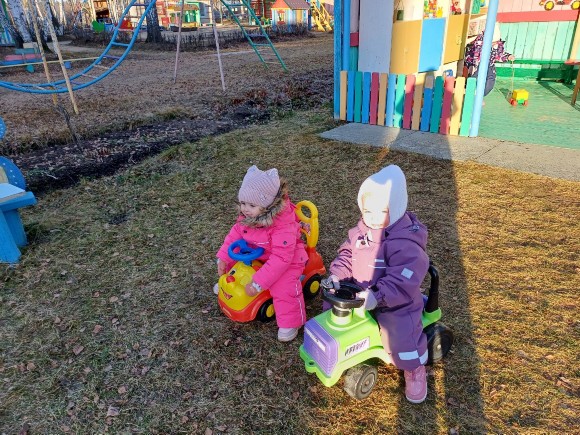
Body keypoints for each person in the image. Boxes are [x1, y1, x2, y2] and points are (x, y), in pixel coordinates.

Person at [322, 165, 430, 403]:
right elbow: (347, 255)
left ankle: (414, 366)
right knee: (332, 310)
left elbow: (403, 280)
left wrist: (377, 297)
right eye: (367, 211)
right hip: (361, 292)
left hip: (395, 301)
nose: (373, 217)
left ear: (397, 208)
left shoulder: (405, 243)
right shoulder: (361, 232)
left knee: (399, 332)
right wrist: (337, 275)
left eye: (382, 211)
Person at [215, 165, 307, 342]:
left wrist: (258, 283)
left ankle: (291, 322)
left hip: (287, 258)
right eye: (243, 203)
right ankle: (230, 288)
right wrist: (223, 257)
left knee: (284, 285)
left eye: (251, 205)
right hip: (259, 253)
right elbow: (235, 234)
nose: (245, 209)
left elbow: (281, 258)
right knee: (234, 260)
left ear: (267, 205)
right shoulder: (248, 217)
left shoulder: (282, 226)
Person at [464, 24, 515, 96]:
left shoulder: (497, 44)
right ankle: (470, 95)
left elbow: (499, 54)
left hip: (489, 64)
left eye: (496, 42)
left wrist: (508, 56)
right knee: (474, 78)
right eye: (493, 42)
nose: (494, 44)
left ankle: (481, 96)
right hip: (476, 64)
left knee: (490, 81)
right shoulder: (479, 42)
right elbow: (475, 55)